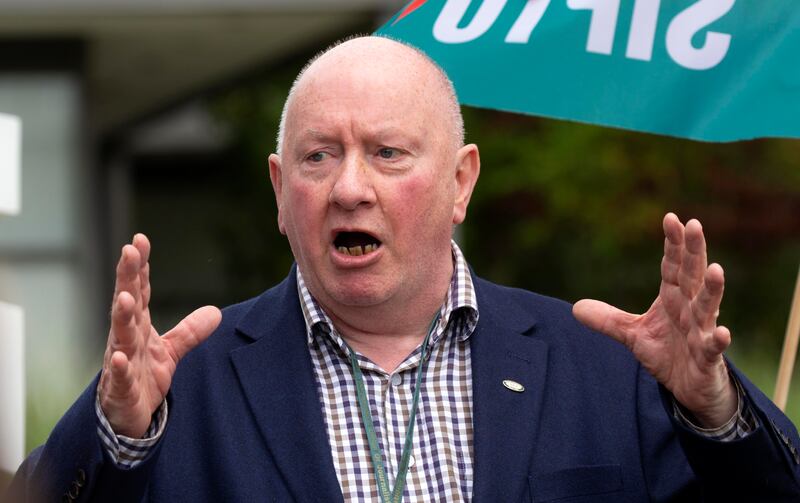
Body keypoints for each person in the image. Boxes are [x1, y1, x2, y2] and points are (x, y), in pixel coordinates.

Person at [6, 35, 800, 502]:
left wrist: (714, 409)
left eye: (388, 153)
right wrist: (117, 430)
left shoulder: (608, 364)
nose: (352, 186)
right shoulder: (181, 385)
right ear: (282, 191)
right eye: (321, 156)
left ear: (461, 181)